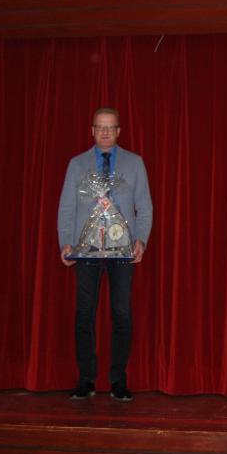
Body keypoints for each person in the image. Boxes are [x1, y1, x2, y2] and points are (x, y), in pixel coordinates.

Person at [58, 107, 152, 402]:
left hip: (122, 250)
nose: (105, 132)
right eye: (100, 127)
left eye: (111, 128)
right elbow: (67, 207)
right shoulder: (77, 164)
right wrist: (66, 242)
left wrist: (141, 240)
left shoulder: (134, 163)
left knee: (121, 313)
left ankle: (118, 379)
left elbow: (145, 206)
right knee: (84, 314)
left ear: (119, 131)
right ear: (92, 130)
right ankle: (86, 378)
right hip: (85, 249)